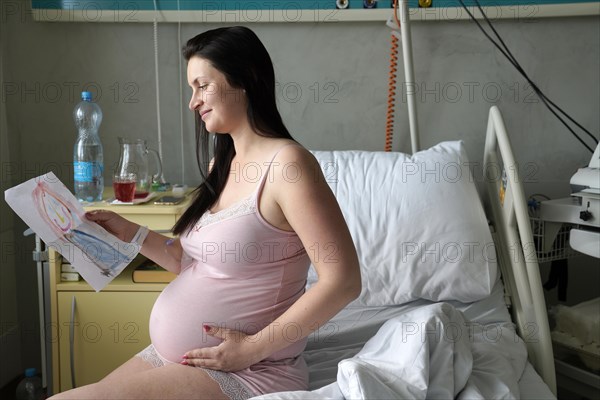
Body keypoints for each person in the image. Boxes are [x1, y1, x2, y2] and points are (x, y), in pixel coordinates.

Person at [49, 26, 361, 400]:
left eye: (202, 85)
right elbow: (188, 259)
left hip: (250, 369)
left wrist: (252, 348)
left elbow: (342, 280)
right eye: (191, 89)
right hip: (182, 358)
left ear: (244, 79)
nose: (193, 102)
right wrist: (128, 230)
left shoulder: (289, 166)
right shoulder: (222, 163)